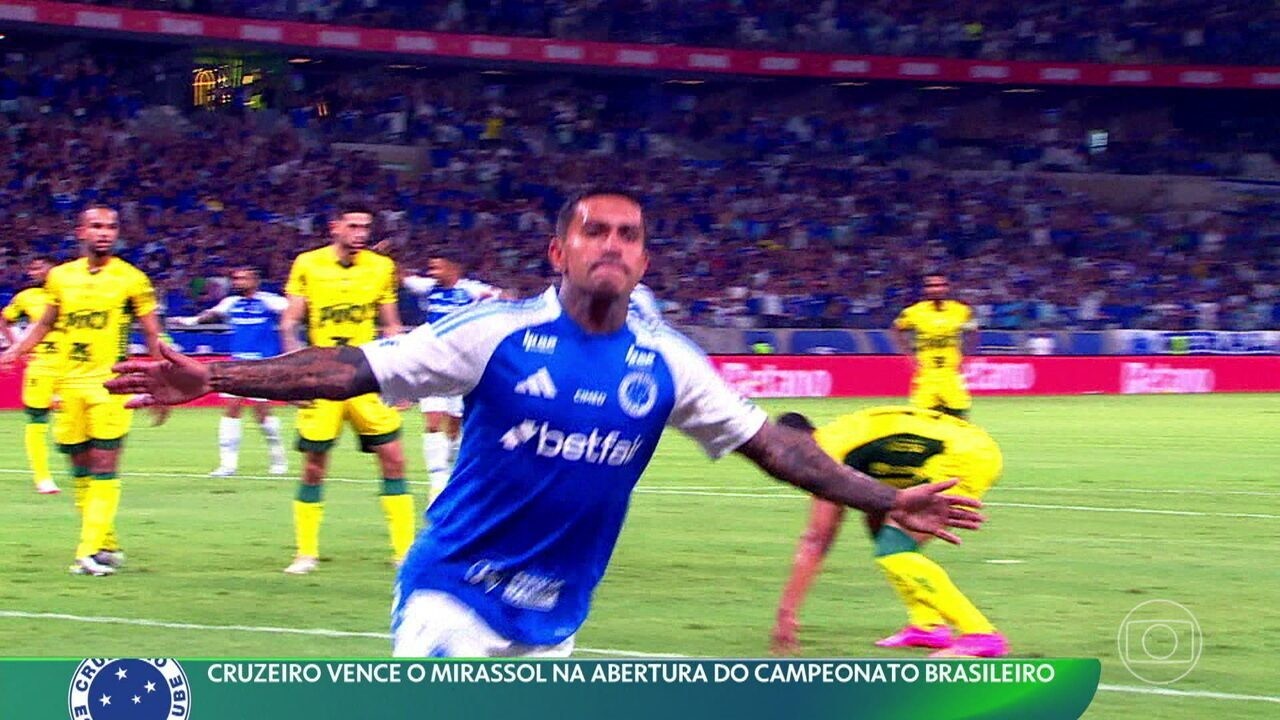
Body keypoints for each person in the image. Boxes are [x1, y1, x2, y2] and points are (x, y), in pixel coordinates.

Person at [106, 190, 984, 657]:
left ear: (644, 258)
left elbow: (774, 445)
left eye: (628, 234)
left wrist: (885, 495)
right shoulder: (494, 334)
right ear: (558, 252)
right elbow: (350, 367)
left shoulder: (669, 360)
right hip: (452, 596)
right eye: (593, 231)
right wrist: (212, 375)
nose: (611, 244)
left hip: (558, 614)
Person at [0, 206, 164, 576]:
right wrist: (14, 351)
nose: (104, 233)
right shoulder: (60, 277)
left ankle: (86, 553)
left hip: (110, 386)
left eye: (111, 227)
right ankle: (106, 545)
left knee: (105, 466)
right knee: (79, 468)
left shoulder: (132, 279)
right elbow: (45, 323)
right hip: (68, 383)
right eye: (96, 226)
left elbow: (152, 333)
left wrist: (163, 378)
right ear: (81, 232)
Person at [770, 407, 1008, 658]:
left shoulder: (825, 455)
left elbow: (817, 540)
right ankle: (927, 625)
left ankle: (980, 634)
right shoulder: (839, 435)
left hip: (962, 458)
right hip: (968, 445)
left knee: (894, 548)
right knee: (881, 531)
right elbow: (877, 503)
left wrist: (786, 613)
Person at [276, 203, 413, 575]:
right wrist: (295, 376)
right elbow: (289, 323)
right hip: (322, 377)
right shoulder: (307, 264)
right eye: (352, 226)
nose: (360, 234)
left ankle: (405, 553)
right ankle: (306, 554)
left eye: (365, 227)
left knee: (395, 459)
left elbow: (391, 327)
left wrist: (400, 377)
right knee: (314, 467)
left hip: (368, 375)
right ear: (334, 226)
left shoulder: (381, 268)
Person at [401, 253, 501, 503]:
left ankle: (449, 466)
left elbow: (503, 297)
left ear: (453, 267)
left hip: (460, 368)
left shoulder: (470, 290)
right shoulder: (427, 287)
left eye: (438, 266)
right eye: (431, 266)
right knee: (433, 421)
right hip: (433, 365)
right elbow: (401, 277)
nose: (433, 271)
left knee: (454, 425)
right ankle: (437, 482)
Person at [172, 267, 289, 477]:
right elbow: (211, 314)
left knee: (262, 414)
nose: (238, 282)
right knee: (231, 409)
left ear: (255, 281)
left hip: (262, 365)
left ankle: (278, 457)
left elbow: (294, 311)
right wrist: (188, 321)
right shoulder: (231, 302)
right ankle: (228, 465)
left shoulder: (271, 301)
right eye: (236, 278)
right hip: (237, 364)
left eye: (243, 278)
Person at [0, 256, 63, 494]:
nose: (34, 271)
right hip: (41, 365)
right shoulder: (27, 297)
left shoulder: (73, 294)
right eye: (32, 267)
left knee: (78, 416)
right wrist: (17, 346)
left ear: (54, 269)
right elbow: (5, 320)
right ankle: (43, 477)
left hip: (73, 367)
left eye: (40, 266)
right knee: (37, 421)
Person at [891, 272, 977, 418]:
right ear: (925, 289)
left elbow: (973, 331)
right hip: (927, 373)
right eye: (931, 286)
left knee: (959, 417)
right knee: (923, 419)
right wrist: (909, 355)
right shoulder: (914, 311)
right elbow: (896, 330)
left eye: (940, 285)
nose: (936, 289)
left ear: (947, 288)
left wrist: (966, 355)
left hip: (950, 373)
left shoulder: (960, 310)